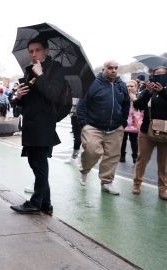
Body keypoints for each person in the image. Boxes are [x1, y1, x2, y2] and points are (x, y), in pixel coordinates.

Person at [9, 36, 65, 215]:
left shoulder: (55, 69)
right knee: (35, 163)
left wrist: (41, 75)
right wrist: (18, 97)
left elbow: (54, 95)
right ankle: (45, 204)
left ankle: (35, 203)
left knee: (40, 164)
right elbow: (23, 104)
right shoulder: (28, 71)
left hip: (44, 125)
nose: (34, 54)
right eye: (31, 51)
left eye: (37, 50)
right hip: (30, 125)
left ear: (46, 50)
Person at [76, 60, 129, 194]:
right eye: (110, 68)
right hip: (93, 126)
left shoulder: (121, 85)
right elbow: (81, 105)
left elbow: (126, 105)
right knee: (92, 150)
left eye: (116, 68)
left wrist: (123, 122)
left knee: (112, 156)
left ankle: (107, 182)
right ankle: (84, 170)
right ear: (103, 69)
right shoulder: (92, 84)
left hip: (115, 127)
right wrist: (84, 124)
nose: (113, 70)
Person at [132, 66, 167, 199]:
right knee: (142, 159)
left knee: (164, 163)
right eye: (156, 74)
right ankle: (136, 183)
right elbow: (137, 105)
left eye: (162, 74)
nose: (159, 76)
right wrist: (147, 92)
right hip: (147, 131)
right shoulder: (148, 90)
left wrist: (162, 91)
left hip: (165, 132)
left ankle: (163, 188)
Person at [120, 80, 143, 164]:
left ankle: (135, 156)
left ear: (136, 87)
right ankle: (122, 155)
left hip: (134, 121)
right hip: (124, 120)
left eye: (131, 86)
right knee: (123, 139)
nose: (129, 88)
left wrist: (134, 98)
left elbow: (141, 108)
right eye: (128, 86)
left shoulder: (139, 96)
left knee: (134, 140)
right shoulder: (122, 95)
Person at [65, 98, 82, 164]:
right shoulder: (76, 91)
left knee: (89, 140)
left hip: (88, 117)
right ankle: (74, 156)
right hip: (76, 116)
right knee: (77, 138)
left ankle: (86, 159)